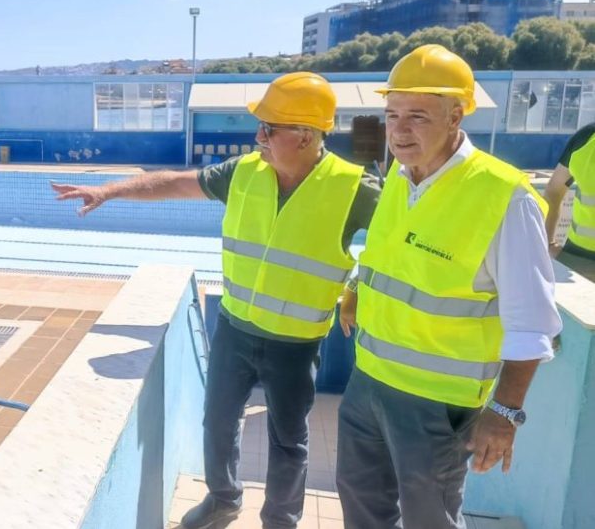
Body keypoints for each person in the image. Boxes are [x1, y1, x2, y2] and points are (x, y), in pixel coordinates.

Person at [51, 72, 380, 529]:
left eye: (268, 129)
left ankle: (281, 521)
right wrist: (109, 190)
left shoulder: (353, 188)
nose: (258, 137)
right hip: (234, 329)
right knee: (218, 423)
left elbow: (397, 245)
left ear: (305, 136)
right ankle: (223, 500)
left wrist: (358, 287)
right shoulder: (243, 172)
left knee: (289, 441)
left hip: (296, 342)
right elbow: (175, 184)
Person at [336, 45, 562, 529]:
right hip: (368, 381)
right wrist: (355, 287)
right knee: (360, 505)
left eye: (417, 116)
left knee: (429, 519)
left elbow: (532, 324)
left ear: (455, 116)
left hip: (437, 404)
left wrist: (504, 413)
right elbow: (385, 254)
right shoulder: (399, 177)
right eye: (392, 114)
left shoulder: (503, 197)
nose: (399, 130)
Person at [543, 122, 595, 266]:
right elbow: (553, 192)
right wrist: (547, 244)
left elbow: (553, 191)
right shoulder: (586, 138)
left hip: (577, 261)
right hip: (577, 259)